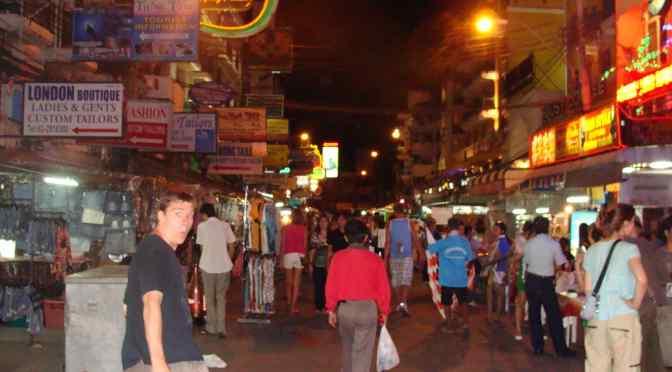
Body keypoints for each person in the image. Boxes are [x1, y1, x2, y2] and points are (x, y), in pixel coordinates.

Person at [122, 192, 208, 372]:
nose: (185, 222)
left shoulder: (155, 249)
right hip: (170, 360)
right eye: (178, 214)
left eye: (190, 216)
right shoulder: (156, 251)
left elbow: (127, 307)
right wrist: (159, 364)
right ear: (161, 216)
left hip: (154, 357)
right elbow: (151, 303)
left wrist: (179, 302)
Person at [583, 204, 648, 371]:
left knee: (596, 367)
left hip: (596, 319)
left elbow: (588, 289)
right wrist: (635, 303)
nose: (634, 225)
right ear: (625, 223)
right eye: (633, 221)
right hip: (623, 318)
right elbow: (642, 279)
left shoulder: (592, 250)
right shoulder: (629, 249)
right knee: (626, 367)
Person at [326, 219, 391, 372]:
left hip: (345, 310)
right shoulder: (376, 260)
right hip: (367, 310)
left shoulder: (338, 258)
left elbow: (331, 285)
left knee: (347, 348)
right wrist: (384, 311)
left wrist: (331, 310)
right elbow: (383, 288)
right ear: (366, 238)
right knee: (362, 353)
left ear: (346, 238)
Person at [523, 216, 574, 357]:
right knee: (554, 316)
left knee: (534, 315)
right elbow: (560, 264)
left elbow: (527, 263)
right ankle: (560, 349)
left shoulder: (529, 244)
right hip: (546, 282)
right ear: (547, 228)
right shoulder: (553, 244)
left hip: (532, 281)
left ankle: (538, 347)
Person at [627, 217, 666, 372]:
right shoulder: (652, 246)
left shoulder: (627, 247)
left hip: (640, 303)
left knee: (639, 352)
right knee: (653, 350)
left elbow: (640, 280)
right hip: (653, 301)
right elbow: (662, 276)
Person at [428, 217, 475, 333]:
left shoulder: (443, 242)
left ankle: (449, 326)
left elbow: (429, 249)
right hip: (461, 278)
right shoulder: (465, 242)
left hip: (446, 279)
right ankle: (466, 324)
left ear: (448, 228)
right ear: (459, 227)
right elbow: (471, 259)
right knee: (463, 302)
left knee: (447, 303)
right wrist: (465, 268)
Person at [196, 203, 236, 339]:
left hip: (207, 266)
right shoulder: (225, 225)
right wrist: (228, 260)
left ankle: (211, 327)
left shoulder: (201, 227)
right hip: (224, 267)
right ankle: (221, 329)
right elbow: (232, 245)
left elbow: (201, 248)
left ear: (204, 214)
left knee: (210, 298)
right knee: (221, 298)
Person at [384, 203, 420, 316]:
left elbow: (387, 243)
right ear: (404, 211)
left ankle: (400, 303)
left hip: (394, 256)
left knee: (396, 280)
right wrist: (421, 253)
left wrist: (385, 258)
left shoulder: (390, 224)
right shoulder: (409, 223)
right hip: (407, 256)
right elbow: (415, 239)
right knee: (406, 279)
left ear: (394, 212)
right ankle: (403, 303)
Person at [280, 209, 308, 314]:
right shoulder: (304, 229)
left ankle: (288, 303)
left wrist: (281, 259)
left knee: (288, 282)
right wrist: (305, 258)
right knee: (296, 283)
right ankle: (293, 306)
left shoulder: (285, 228)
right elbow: (305, 245)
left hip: (288, 254)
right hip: (300, 255)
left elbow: (282, 244)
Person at [512, 221, 534, 341]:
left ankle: (519, 330)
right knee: (527, 303)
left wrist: (512, 266)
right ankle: (522, 329)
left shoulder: (523, 242)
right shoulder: (533, 242)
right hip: (533, 276)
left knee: (520, 303)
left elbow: (517, 257)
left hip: (525, 276)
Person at [486, 222, 511, 322]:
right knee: (493, 293)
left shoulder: (503, 241)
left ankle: (495, 315)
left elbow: (503, 256)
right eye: (494, 229)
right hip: (496, 269)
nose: (494, 231)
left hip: (499, 270)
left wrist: (490, 262)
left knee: (497, 293)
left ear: (502, 231)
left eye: (496, 229)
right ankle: (492, 315)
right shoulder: (500, 241)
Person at [309, 214, 333, 312]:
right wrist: (310, 263)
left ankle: (327, 305)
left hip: (329, 263)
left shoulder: (331, 234)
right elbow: (312, 250)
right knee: (318, 285)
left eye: (325, 221)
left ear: (328, 223)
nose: (323, 223)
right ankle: (319, 306)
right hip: (318, 262)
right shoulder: (315, 234)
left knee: (328, 285)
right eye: (321, 221)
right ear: (319, 223)